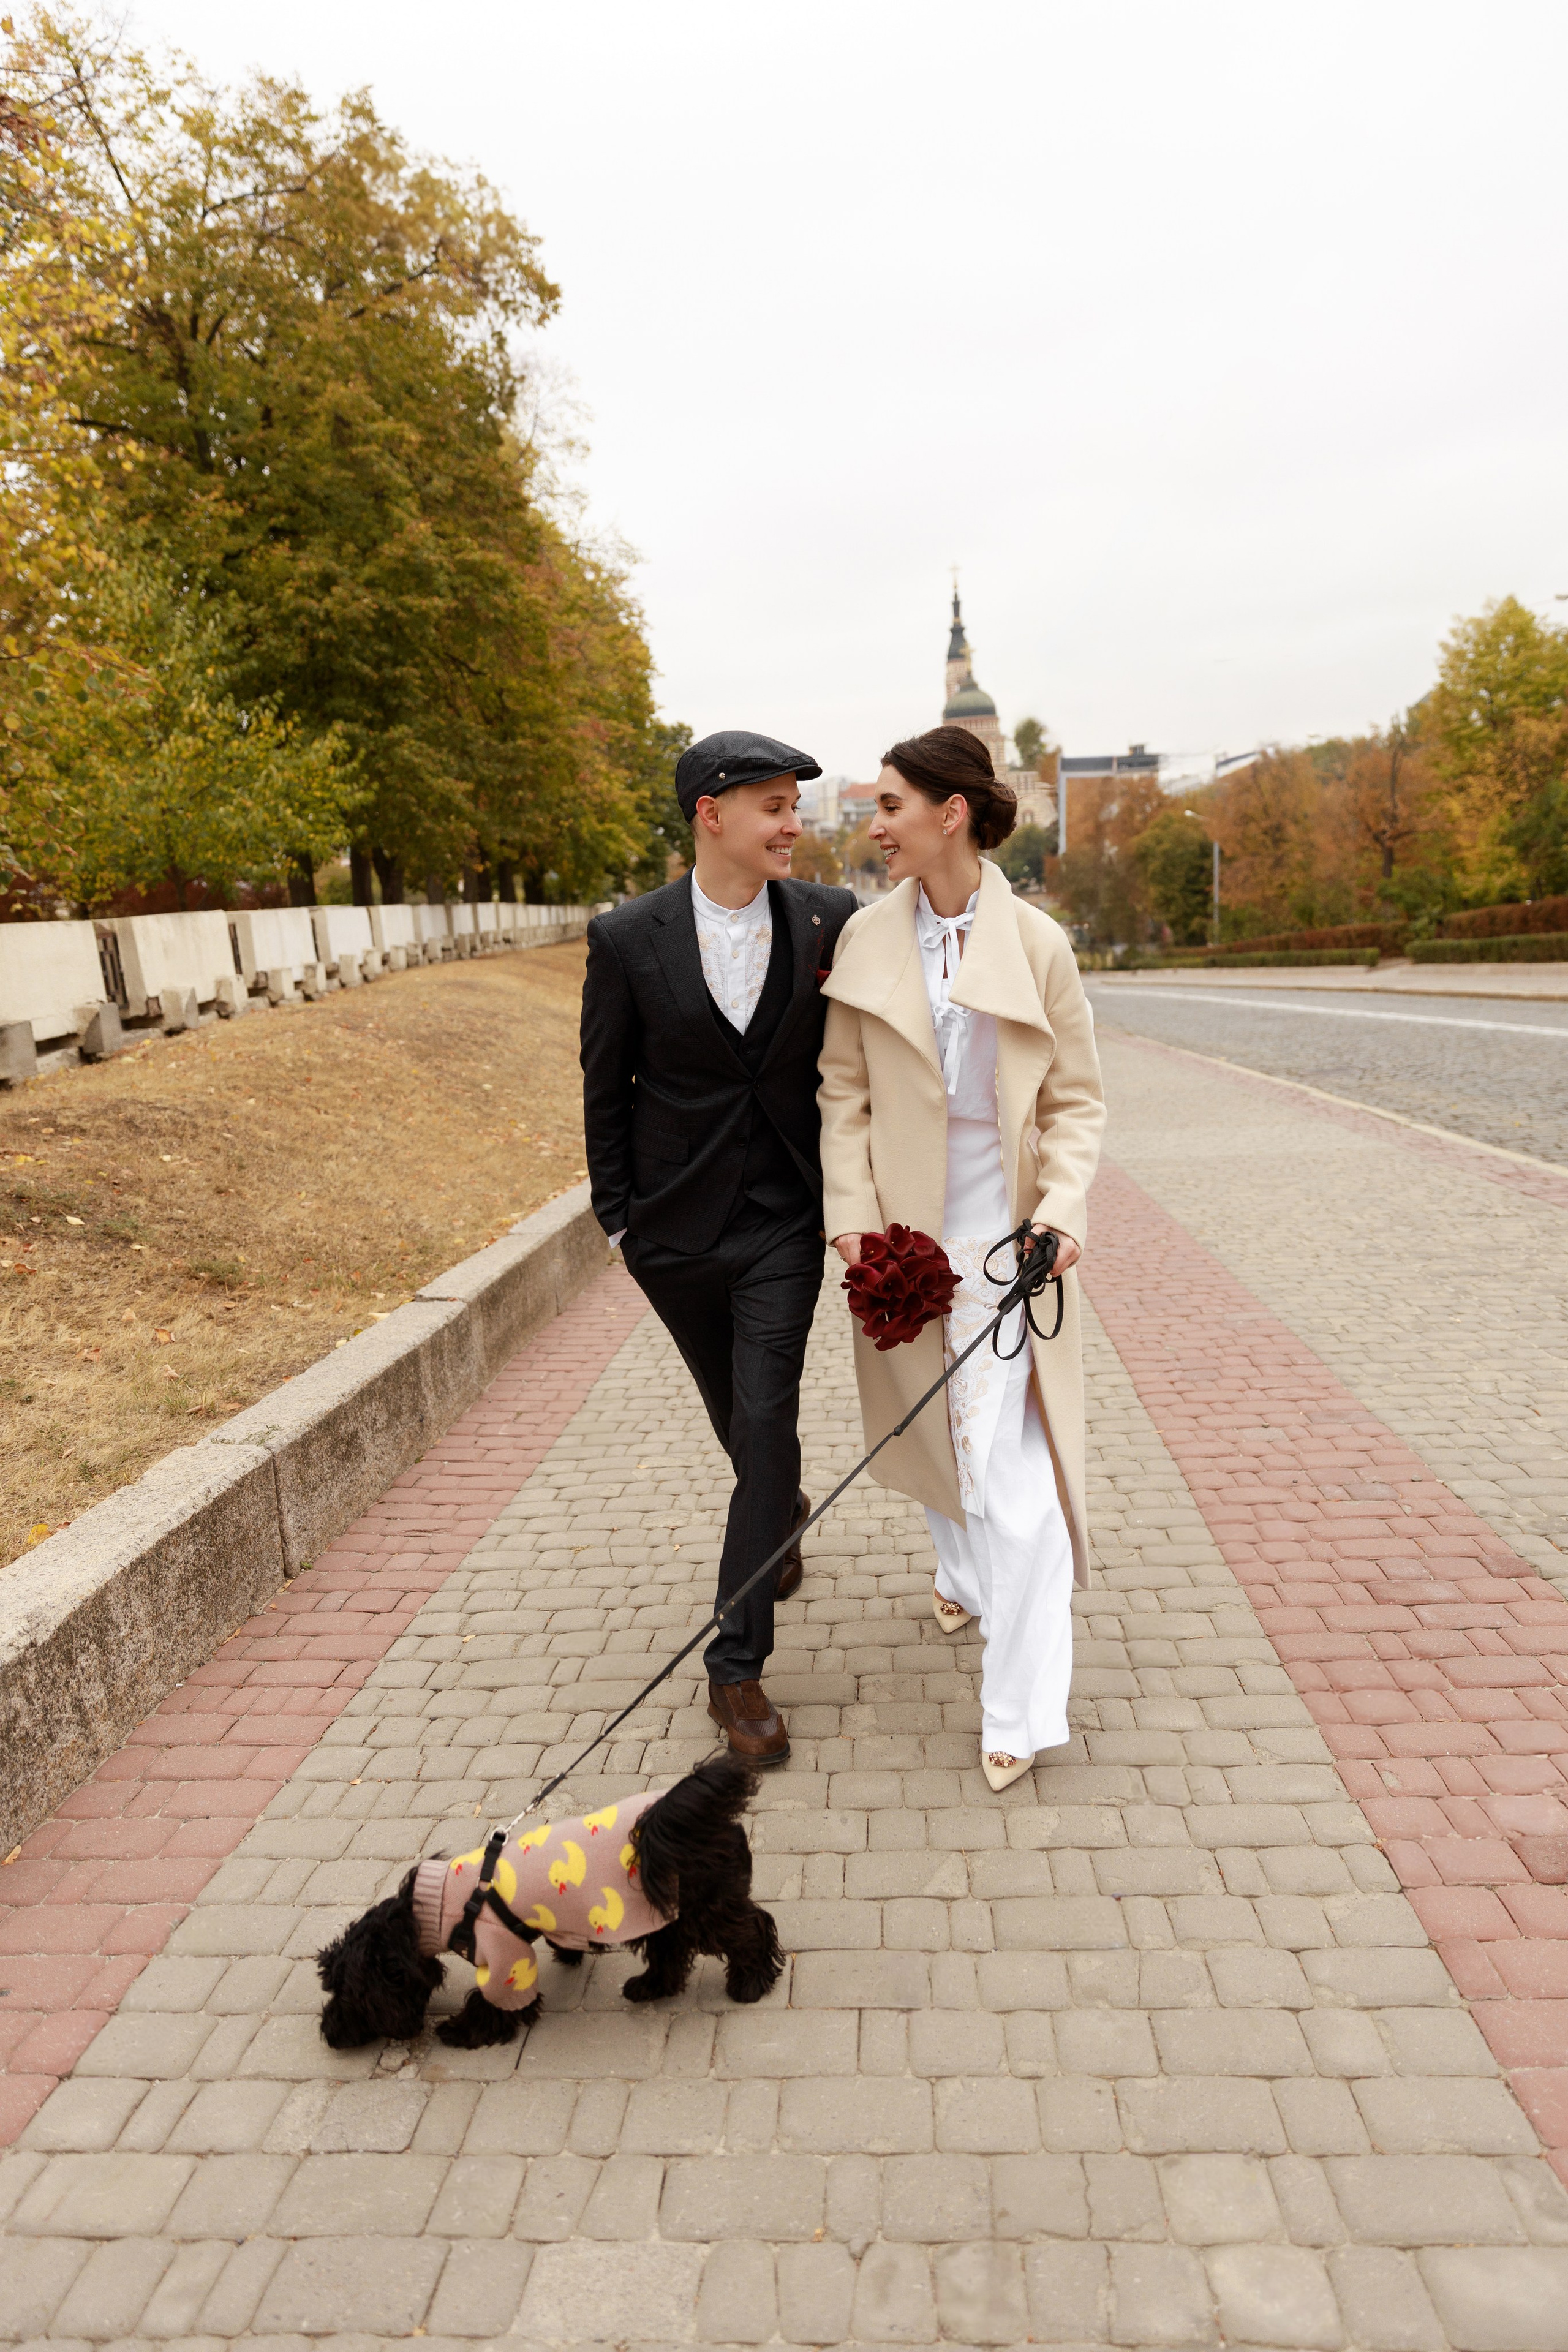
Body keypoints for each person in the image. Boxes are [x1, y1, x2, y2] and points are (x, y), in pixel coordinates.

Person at [818, 725, 1105, 1790]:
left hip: (1009, 1252)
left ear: (952, 814)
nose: (876, 825)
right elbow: (842, 1096)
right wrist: (854, 1226)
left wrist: (1061, 1211)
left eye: (891, 806)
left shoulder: (1038, 945)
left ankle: (1020, 1711)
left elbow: (1074, 1101)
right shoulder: (865, 938)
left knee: (1015, 1482)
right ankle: (960, 1578)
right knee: (936, 1436)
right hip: (901, 1246)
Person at [581, 731, 858, 1764]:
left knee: (767, 1411)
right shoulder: (627, 938)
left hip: (785, 1217)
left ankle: (735, 1667)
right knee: (738, 1422)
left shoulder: (832, 917)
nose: (793, 826)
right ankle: (776, 1506)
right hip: (674, 1229)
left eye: (795, 807)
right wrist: (620, 1220)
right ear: (712, 814)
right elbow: (605, 1087)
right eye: (775, 808)